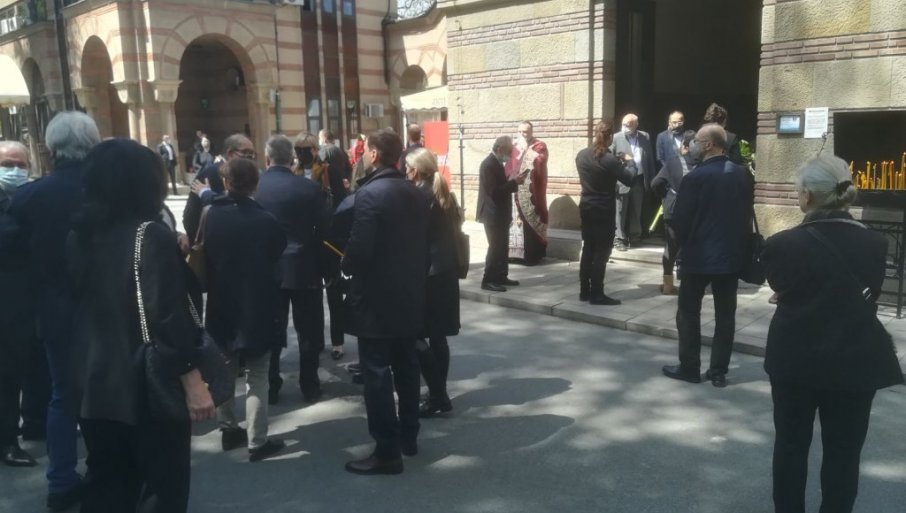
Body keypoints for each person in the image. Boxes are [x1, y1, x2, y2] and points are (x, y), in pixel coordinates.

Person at [67, 138, 215, 513]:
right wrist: (193, 381)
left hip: (93, 381)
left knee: (107, 485)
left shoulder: (80, 234)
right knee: (161, 488)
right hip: (145, 385)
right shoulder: (151, 235)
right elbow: (167, 317)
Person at [761, 155, 903, 513]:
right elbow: (867, 289)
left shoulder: (782, 243)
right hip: (854, 360)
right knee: (844, 453)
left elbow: (780, 285)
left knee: (790, 446)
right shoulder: (875, 243)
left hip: (795, 360)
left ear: (807, 195)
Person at [7, 111, 100, 511]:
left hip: (53, 309)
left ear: (49, 148)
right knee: (105, 394)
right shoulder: (106, 192)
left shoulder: (29, 197)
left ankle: (61, 481)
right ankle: (105, 469)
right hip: (104, 310)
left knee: (63, 395)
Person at [342, 129, 430, 475]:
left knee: (377, 376)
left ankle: (387, 451)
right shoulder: (415, 192)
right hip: (409, 295)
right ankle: (409, 436)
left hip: (376, 301)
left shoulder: (369, 194)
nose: (364, 155)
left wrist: (345, 264)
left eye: (366, 150)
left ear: (375, 154)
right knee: (407, 368)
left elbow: (360, 248)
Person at [203, 157, 288, 462]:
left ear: (225, 183)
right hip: (258, 303)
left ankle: (228, 429)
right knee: (258, 374)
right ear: (255, 184)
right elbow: (277, 252)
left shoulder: (211, 215)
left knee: (224, 369)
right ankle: (257, 440)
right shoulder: (266, 220)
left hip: (221, 301)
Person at [661, 123, 753, 388]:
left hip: (698, 257)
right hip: (730, 258)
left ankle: (690, 367)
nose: (693, 146)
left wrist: (683, 246)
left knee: (688, 313)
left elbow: (681, 221)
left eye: (698, 141)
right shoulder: (742, 174)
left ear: (709, 144)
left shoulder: (696, 177)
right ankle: (718, 371)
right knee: (726, 315)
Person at [256, 135, 327, 405]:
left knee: (272, 329)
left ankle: (271, 385)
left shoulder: (257, 187)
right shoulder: (309, 188)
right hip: (303, 265)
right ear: (292, 158)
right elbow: (324, 228)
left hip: (268, 268)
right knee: (308, 331)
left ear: (267, 158)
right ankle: (310, 385)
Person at [0, 141, 49, 468]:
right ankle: (6, 441)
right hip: (7, 298)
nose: (15, 171)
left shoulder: (32, 197)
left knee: (32, 365)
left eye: (21, 165)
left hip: (31, 298)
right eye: (7, 164)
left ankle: (33, 422)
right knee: (6, 374)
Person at [403, 148, 461, 417]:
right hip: (445, 270)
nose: (405, 172)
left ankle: (438, 394)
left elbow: (412, 238)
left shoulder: (418, 197)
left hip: (427, 273)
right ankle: (439, 392)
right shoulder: (443, 193)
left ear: (415, 171)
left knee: (415, 334)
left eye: (407, 168)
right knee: (438, 336)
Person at [575, 121, 634, 305]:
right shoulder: (609, 159)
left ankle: (584, 291)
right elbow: (630, 179)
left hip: (586, 206)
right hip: (603, 210)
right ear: (610, 137)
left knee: (588, 249)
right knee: (602, 252)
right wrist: (630, 162)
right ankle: (597, 293)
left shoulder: (581, 155)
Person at [317, 129, 352, 359]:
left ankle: (324, 341)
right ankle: (338, 342)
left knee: (323, 296)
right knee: (334, 294)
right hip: (337, 249)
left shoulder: (316, 191)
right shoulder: (344, 194)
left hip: (322, 248)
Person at [183, 133, 255, 242]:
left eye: (252, 154)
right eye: (245, 152)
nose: (250, 158)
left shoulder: (248, 173)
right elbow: (191, 216)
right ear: (230, 153)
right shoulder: (210, 174)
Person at [651, 130, 697, 295]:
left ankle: (668, 285)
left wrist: (665, 195)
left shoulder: (673, 162)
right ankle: (690, 284)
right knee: (693, 247)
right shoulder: (705, 164)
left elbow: (656, 183)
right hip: (696, 212)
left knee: (671, 247)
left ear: (685, 146)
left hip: (674, 209)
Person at [477, 135, 524, 292]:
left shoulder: (497, 163)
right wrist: (514, 183)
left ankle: (501, 276)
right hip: (492, 214)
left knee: (503, 247)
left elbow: (501, 187)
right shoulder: (488, 164)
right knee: (495, 247)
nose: (510, 155)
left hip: (500, 213)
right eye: (509, 151)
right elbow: (494, 192)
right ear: (500, 148)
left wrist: (513, 182)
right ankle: (488, 279)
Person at [610, 113, 656, 251]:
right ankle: (619, 239)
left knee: (637, 209)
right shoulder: (616, 137)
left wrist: (651, 178)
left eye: (628, 125)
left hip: (639, 178)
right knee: (620, 210)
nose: (625, 127)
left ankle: (635, 236)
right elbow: (610, 158)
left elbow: (649, 158)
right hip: (622, 179)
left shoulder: (645, 136)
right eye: (623, 124)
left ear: (636, 125)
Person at [509, 121, 548, 265]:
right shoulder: (513, 145)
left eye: (525, 132)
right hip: (514, 190)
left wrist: (526, 150)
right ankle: (513, 255)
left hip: (531, 191)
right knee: (514, 222)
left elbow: (541, 161)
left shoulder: (539, 145)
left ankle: (531, 255)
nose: (522, 134)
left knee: (529, 220)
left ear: (531, 132)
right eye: (520, 131)